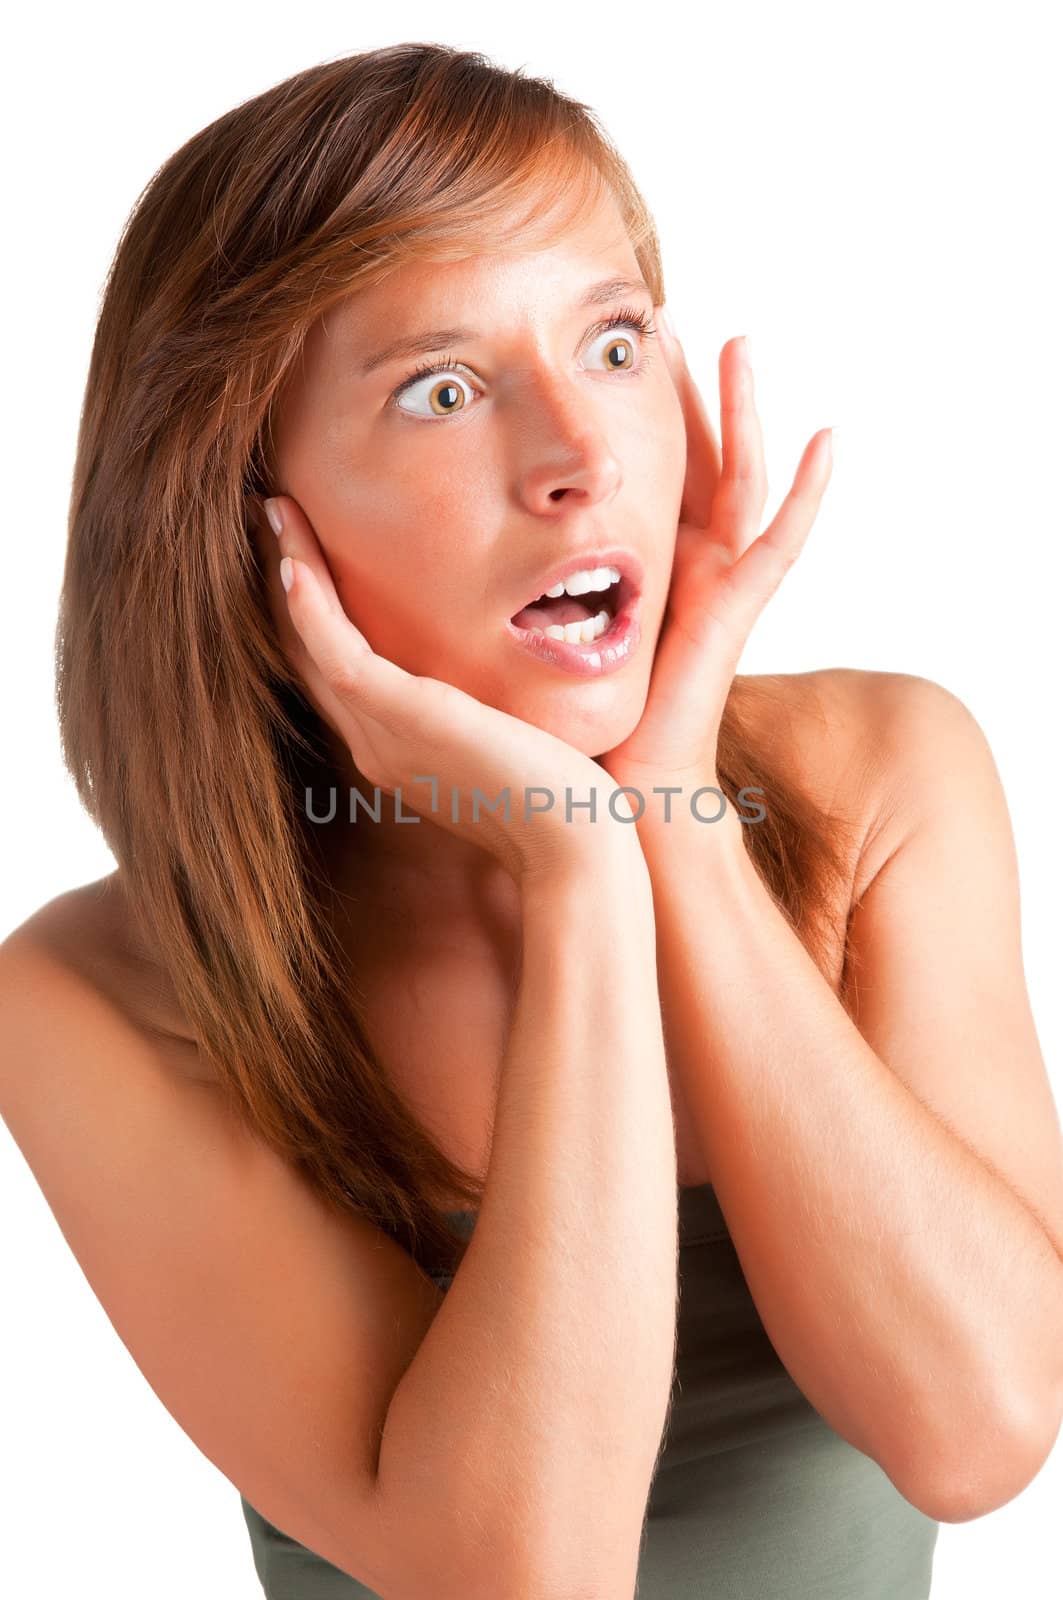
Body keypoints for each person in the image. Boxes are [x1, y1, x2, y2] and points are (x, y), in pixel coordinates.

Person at [3, 40, 1062, 1600]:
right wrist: (578, 879)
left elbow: (978, 1434)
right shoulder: (91, 997)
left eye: (617, 345)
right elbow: (522, 1577)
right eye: (442, 390)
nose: (581, 458)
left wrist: (672, 824)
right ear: (240, 510)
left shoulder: (892, 771)